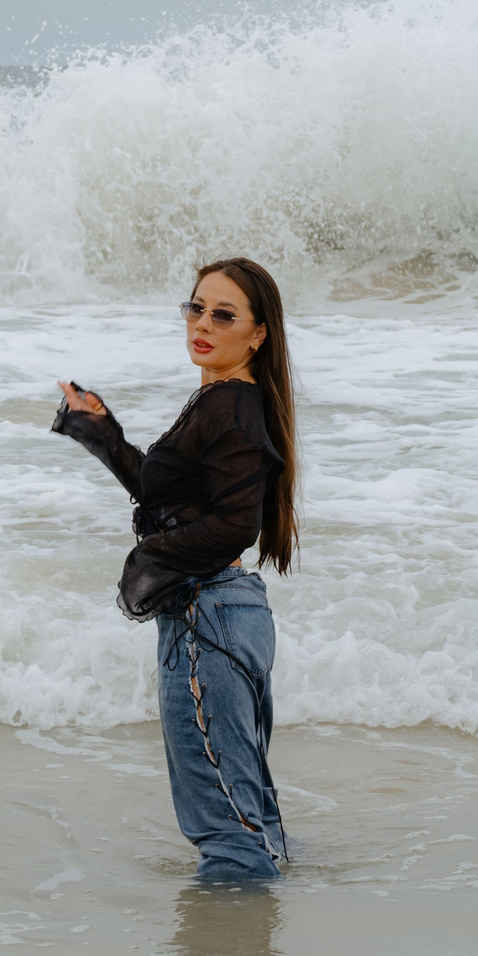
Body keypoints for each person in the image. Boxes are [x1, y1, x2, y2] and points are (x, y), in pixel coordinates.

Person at [52, 256, 298, 880]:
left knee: (228, 832)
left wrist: (150, 557)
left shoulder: (232, 407)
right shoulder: (222, 400)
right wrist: (101, 433)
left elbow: (237, 526)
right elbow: (166, 496)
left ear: (259, 332)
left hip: (207, 616)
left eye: (224, 314)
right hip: (226, 610)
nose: (203, 323)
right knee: (251, 816)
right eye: (195, 308)